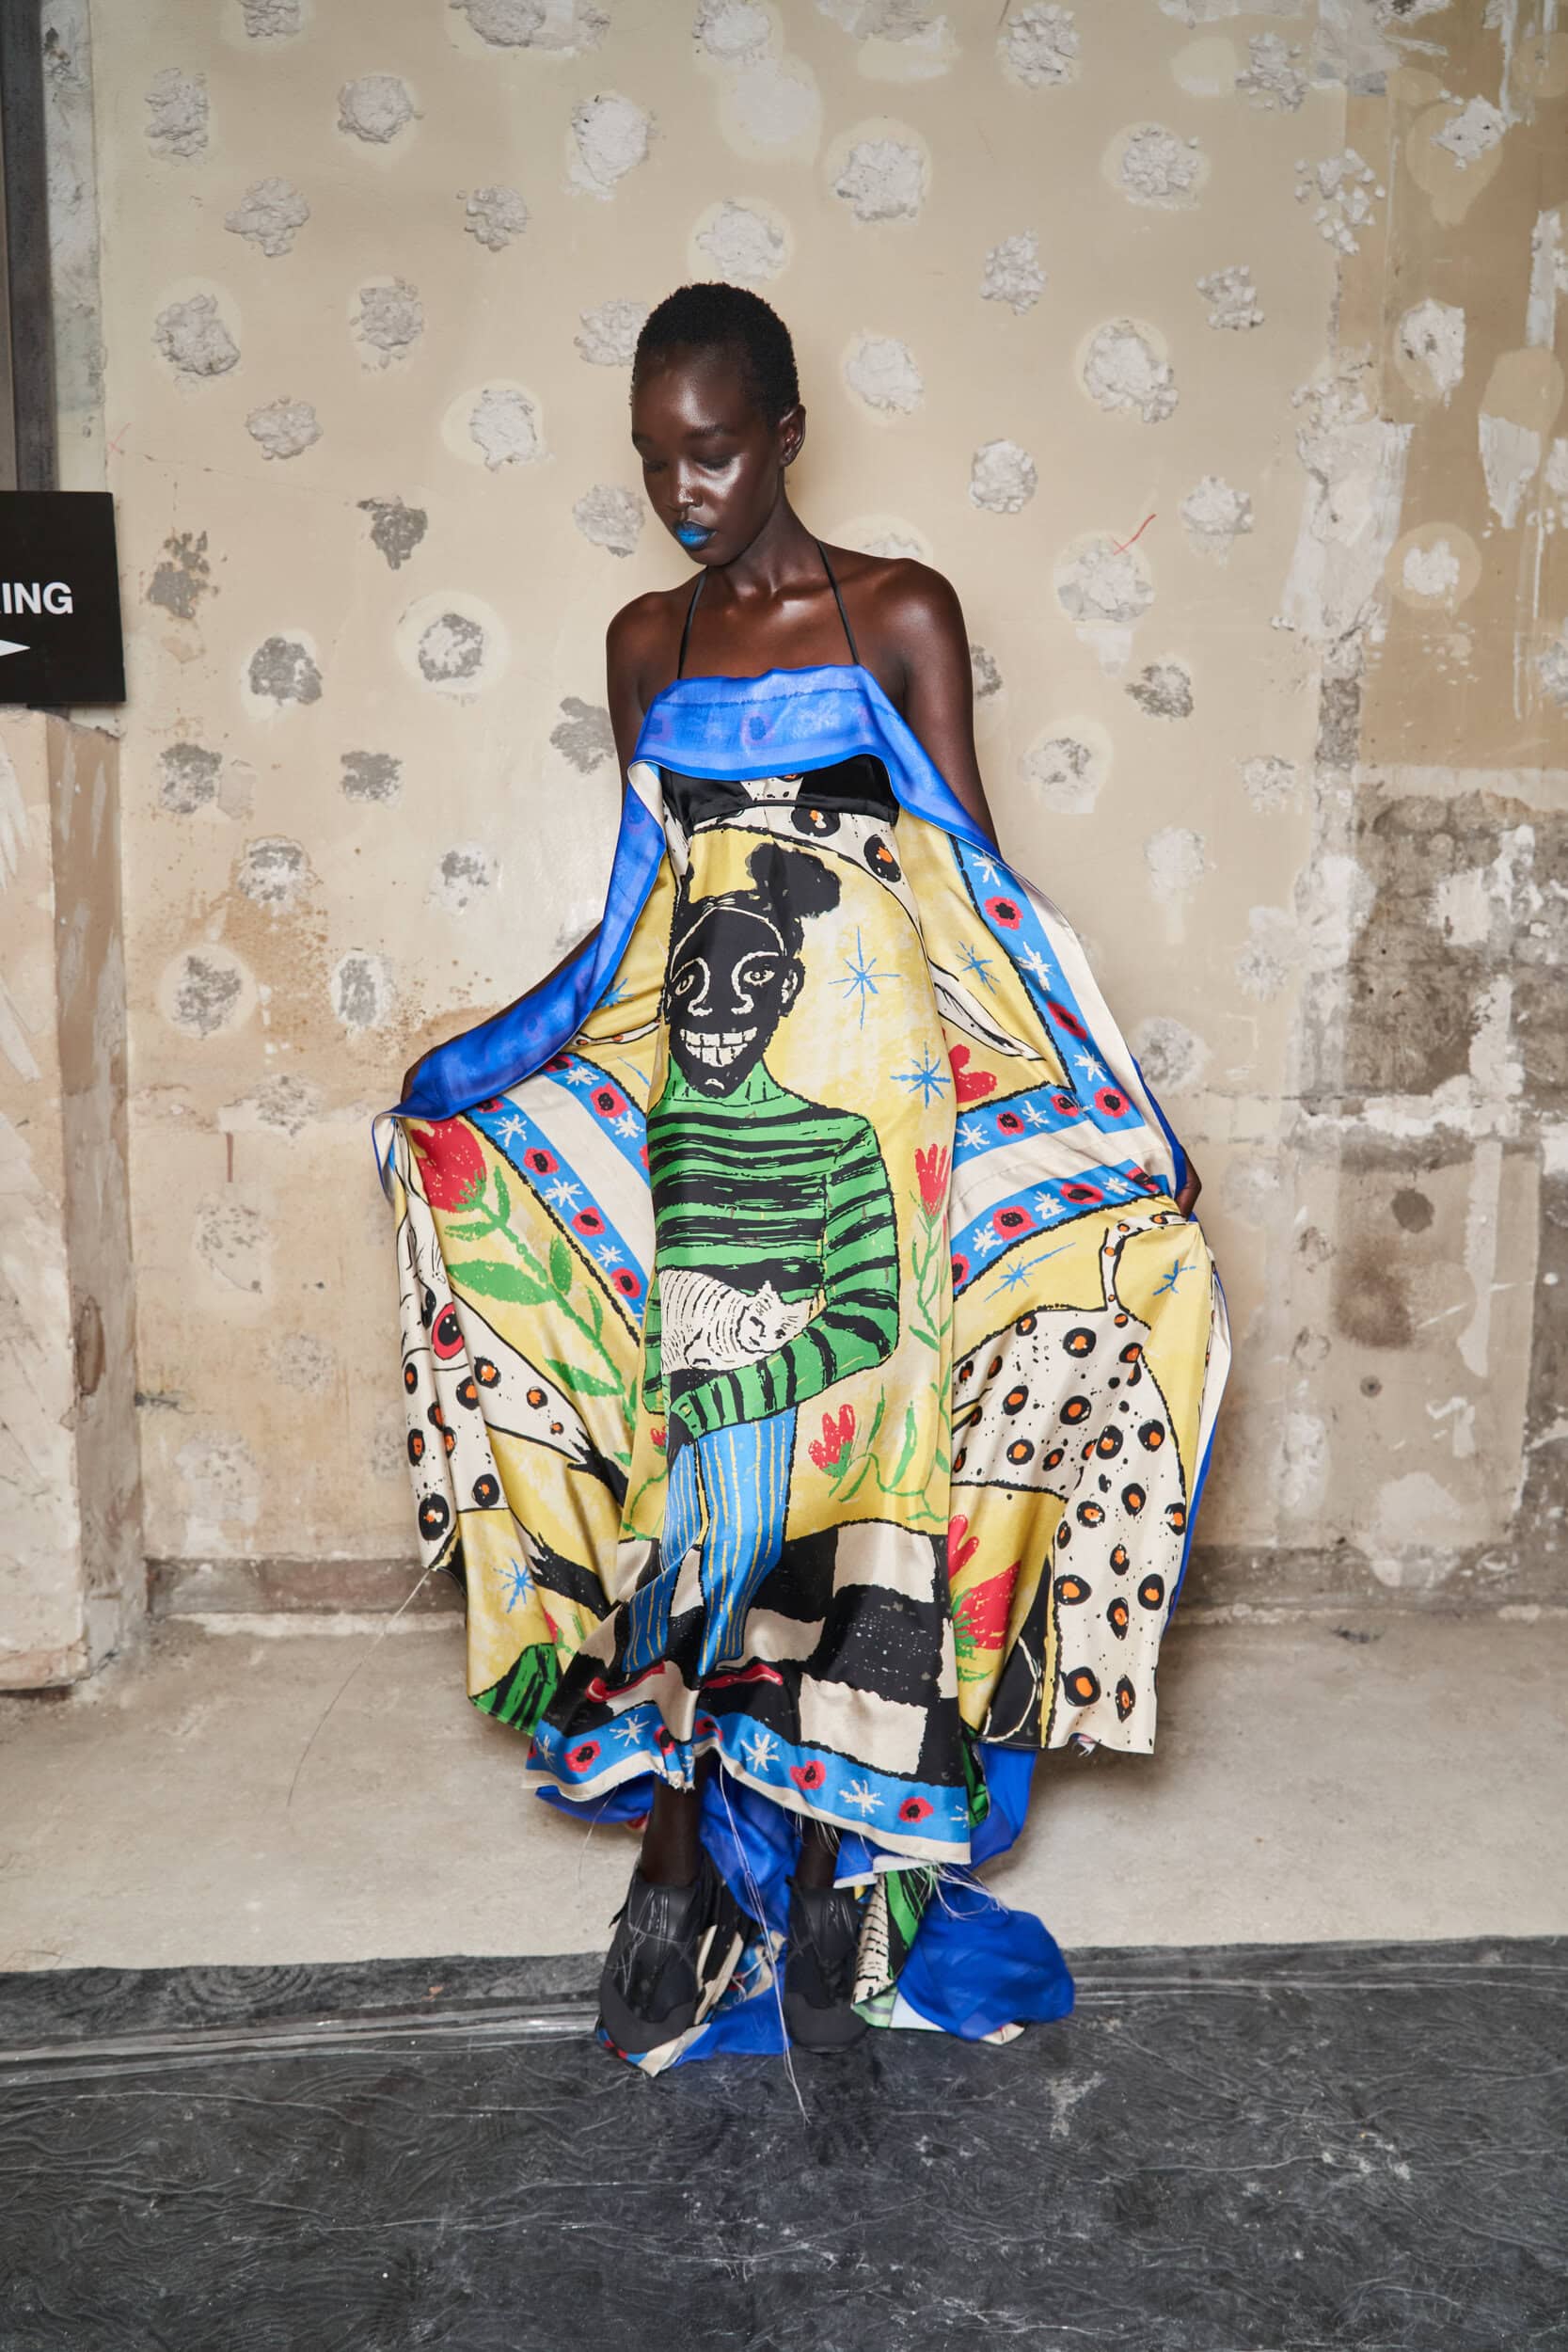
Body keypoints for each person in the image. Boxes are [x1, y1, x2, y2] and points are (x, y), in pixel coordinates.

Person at [383, 281, 1229, 2073]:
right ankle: (686, 1859)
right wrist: (469, 1079)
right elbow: (638, 918)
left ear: (783, 434)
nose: (681, 492)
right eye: (651, 461)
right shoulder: (649, 640)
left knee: (874, 1463)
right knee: (712, 1461)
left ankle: (852, 1860)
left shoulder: (899, 609)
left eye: (710, 452)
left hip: (886, 1107)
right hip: (707, 1122)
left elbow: (981, 893)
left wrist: (1118, 1110)